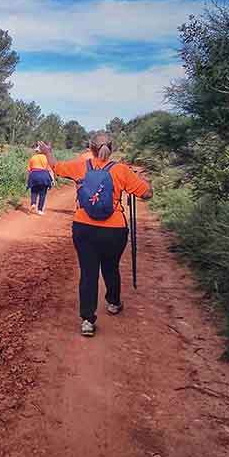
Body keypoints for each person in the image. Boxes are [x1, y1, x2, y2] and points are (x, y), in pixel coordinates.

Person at [40, 132, 152, 337]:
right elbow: (146, 193)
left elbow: (56, 168)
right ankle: (113, 303)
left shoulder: (80, 166)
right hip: (115, 229)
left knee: (88, 272)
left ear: (90, 148)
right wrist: (144, 179)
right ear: (112, 148)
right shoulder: (121, 170)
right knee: (111, 267)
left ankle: (87, 321)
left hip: (84, 227)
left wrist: (48, 152)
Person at [26, 143, 54, 215]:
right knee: (42, 193)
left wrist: (28, 180)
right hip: (44, 175)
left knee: (34, 191)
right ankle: (40, 210)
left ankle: (33, 203)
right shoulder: (46, 158)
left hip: (34, 175)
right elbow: (50, 170)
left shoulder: (33, 158)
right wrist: (52, 180)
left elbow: (29, 170)